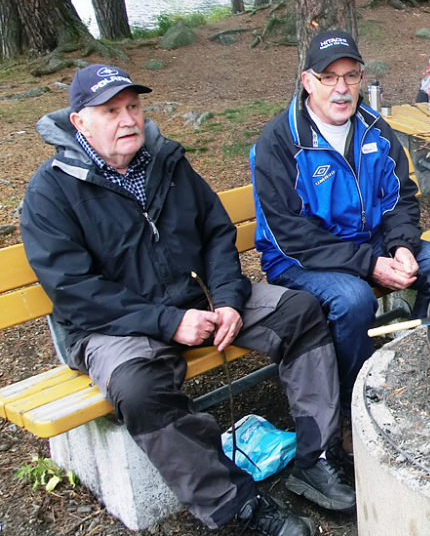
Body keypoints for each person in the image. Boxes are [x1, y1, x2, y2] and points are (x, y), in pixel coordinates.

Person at [20, 65, 355, 536]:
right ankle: (234, 507)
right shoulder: (50, 192)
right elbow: (74, 291)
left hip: (198, 298)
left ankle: (316, 458)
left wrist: (227, 299)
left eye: (133, 106)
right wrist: (167, 321)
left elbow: (217, 232)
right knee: (140, 391)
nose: (128, 119)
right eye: (111, 111)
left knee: (298, 312)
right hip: (113, 325)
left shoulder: (167, 162)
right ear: (80, 122)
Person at [250, 29, 430, 419]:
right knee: (353, 299)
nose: (341, 88)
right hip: (299, 260)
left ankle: (418, 369)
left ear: (362, 78)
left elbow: (400, 197)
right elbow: (291, 234)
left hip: (370, 242)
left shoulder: (374, 128)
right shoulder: (279, 142)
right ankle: (354, 406)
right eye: (329, 77)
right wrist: (368, 265)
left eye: (350, 76)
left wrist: (400, 247)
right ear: (308, 81)